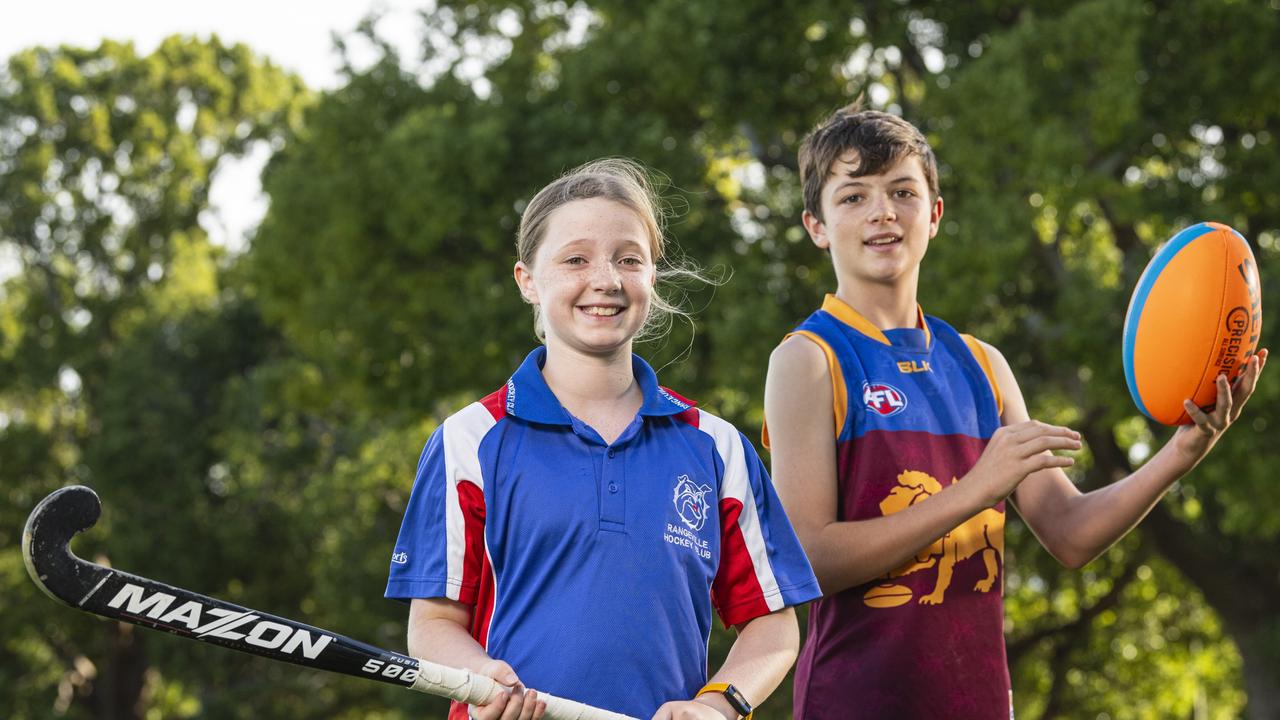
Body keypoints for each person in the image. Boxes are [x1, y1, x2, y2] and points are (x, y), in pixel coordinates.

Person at [762, 102, 1268, 719]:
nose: (882, 212)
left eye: (902, 191)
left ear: (935, 213)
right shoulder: (808, 360)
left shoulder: (983, 366)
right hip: (855, 703)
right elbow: (807, 559)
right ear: (816, 224)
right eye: (853, 197)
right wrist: (974, 490)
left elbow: (1070, 534)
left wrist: (1182, 453)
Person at [386, 158, 821, 720]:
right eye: (575, 259)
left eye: (628, 259)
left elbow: (773, 624)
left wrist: (719, 704)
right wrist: (480, 676)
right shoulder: (468, 441)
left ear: (651, 278)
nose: (606, 280)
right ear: (527, 281)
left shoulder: (716, 447)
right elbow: (434, 624)